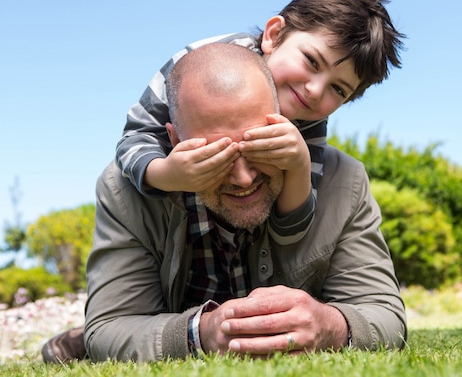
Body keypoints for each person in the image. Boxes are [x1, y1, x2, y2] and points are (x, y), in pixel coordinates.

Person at [82, 43, 406, 361]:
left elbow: (385, 315)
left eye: (259, 148)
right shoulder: (125, 191)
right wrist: (202, 332)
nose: (243, 178)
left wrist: (330, 326)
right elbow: (109, 328)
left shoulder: (344, 182)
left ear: (287, 124)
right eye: (216, 155)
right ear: (175, 141)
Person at [116, 0, 404, 246]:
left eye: (338, 89)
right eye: (312, 61)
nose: (315, 91)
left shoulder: (309, 124)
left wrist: (299, 166)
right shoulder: (199, 67)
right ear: (274, 35)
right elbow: (135, 136)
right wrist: (165, 174)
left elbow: (291, 230)